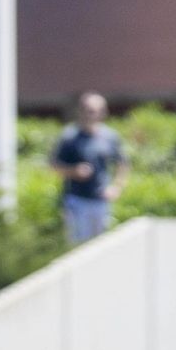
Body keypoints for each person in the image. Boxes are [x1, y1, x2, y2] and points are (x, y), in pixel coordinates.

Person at [50, 92, 129, 245]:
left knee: (100, 245)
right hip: (76, 199)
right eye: (86, 110)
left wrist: (116, 187)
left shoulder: (109, 136)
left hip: (100, 200)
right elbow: (53, 165)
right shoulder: (69, 137)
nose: (90, 115)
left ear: (103, 112)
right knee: (78, 244)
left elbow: (122, 163)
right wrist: (73, 171)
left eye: (94, 111)